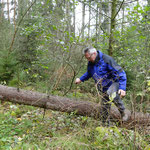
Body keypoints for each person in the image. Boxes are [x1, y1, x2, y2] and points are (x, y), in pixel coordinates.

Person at [75, 47, 128, 126]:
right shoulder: (91, 63)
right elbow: (89, 73)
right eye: (87, 58)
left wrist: (122, 88)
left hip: (114, 83)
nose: (88, 60)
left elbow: (120, 72)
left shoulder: (107, 59)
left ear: (94, 54)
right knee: (104, 106)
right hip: (103, 87)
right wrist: (80, 79)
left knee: (110, 93)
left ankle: (124, 112)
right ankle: (105, 125)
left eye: (89, 58)